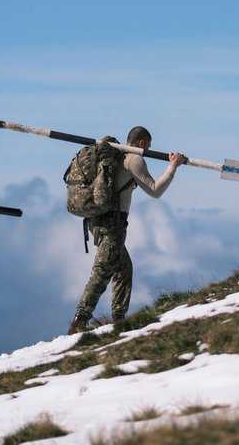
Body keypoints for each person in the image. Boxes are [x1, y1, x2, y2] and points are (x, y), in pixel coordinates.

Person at [68, 127, 186, 334]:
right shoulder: (134, 160)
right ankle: (79, 321)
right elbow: (155, 190)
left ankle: (119, 320)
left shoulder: (117, 156)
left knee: (123, 269)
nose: (149, 149)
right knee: (102, 272)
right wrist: (173, 167)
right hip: (113, 225)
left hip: (97, 221)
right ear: (141, 143)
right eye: (148, 145)